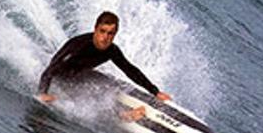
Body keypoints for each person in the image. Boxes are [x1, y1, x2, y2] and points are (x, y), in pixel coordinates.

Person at [36, 12, 170, 117]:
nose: (105, 37)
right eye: (102, 31)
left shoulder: (112, 50)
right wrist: (42, 93)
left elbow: (130, 70)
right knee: (92, 93)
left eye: (110, 33)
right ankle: (121, 115)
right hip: (61, 78)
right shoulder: (78, 45)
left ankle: (121, 108)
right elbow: (50, 69)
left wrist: (155, 91)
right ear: (95, 29)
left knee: (109, 83)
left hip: (81, 75)